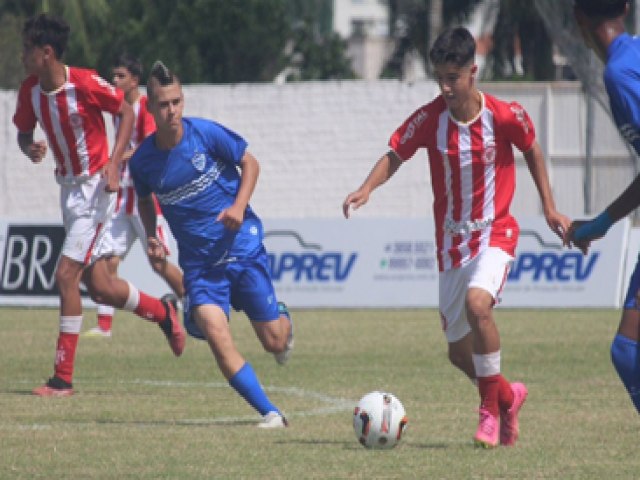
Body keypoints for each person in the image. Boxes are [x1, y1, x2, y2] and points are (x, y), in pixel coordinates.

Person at [342, 27, 570, 447]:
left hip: (495, 232)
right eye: (439, 78)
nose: (445, 87)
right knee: (458, 354)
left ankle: (487, 413)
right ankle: (507, 397)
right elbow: (395, 154)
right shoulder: (430, 120)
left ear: (472, 72)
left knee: (478, 305)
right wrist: (367, 188)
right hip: (451, 245)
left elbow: (532, 150)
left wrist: (550, 207)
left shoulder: (503, 115)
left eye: (453, 77)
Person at [13, 14, 185, 397]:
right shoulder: (30, 91)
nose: (22, 56)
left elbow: (124, 110)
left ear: (47, 53)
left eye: (27, 50)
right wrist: (31, 148)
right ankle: (164, 313)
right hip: (68, 192)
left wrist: (113, 161)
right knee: (101, 286)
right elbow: (24, 133)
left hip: (95, 190)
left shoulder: (86, 82)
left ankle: (63, 378)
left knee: (65, 275)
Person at [129, 61, 294, 428]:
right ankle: (271, 413)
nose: (171, 111)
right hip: (201, 268)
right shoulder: (142, 162)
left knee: (275, 342)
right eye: (163, 104)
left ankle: (282, 316)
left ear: (182, 101)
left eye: (176, 102)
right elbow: (143, 198)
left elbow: (251, 163)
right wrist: (152, 233)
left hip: (242, 250)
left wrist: (237, 207)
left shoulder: (204, 134)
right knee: (215, 332)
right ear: (150, 107)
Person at [569, 0, 640, 413]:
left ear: (579, 20)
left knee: (628, 350)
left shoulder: (620, 73)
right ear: (628, 8)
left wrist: (601, 221)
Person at [84, 52, 185, 338]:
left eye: (120, 76)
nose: (114, 81)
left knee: (159, 262)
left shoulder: (145, 107)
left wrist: (115, 160)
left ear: (135, 80)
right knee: (108, 261)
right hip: (122, 198)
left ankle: (193, 307)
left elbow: (150, 146)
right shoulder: (119, 109)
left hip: (145, 197)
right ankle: (104, 326)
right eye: (112, 76)